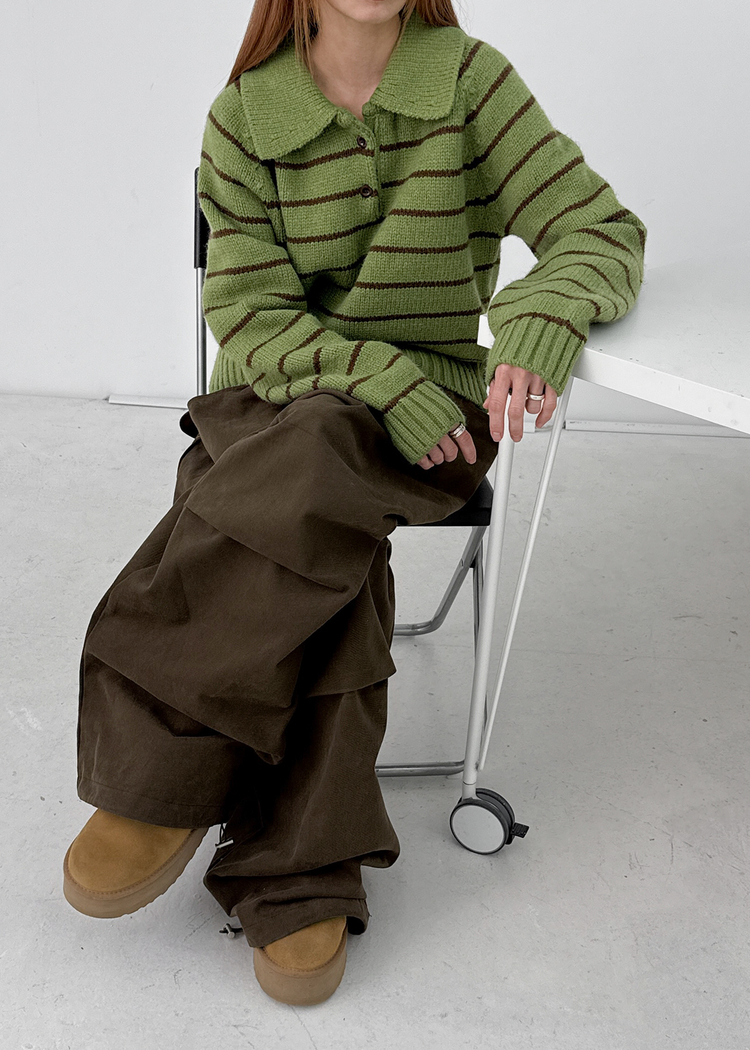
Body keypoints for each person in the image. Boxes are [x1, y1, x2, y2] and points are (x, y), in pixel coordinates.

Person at [62, 0, 646, 1007]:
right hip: (276, 401)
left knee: (311, 470)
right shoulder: (248, 115)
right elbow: (249, 313)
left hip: (431, 429)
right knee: (321, 505)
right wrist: (376, 380)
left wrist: (539, 316)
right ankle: (299, 866)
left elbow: (599, 228)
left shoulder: (470, 83)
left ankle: (162, 767)